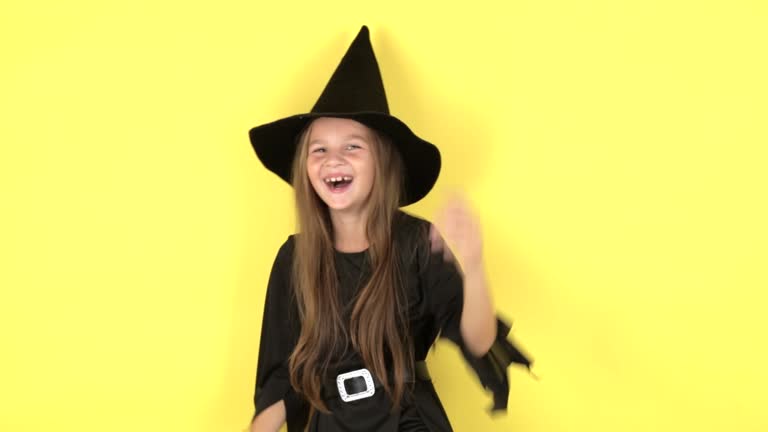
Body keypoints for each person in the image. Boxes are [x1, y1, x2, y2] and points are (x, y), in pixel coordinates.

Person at [247, 26, 533, 432]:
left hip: (407, 422)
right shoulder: (294, 257)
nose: (333, 160)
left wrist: (473, 265)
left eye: (352, 146)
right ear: (305, 167)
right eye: (319, 149)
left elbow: (479, 341)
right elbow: (282, 382)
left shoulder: (415, 242)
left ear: (382, 162)